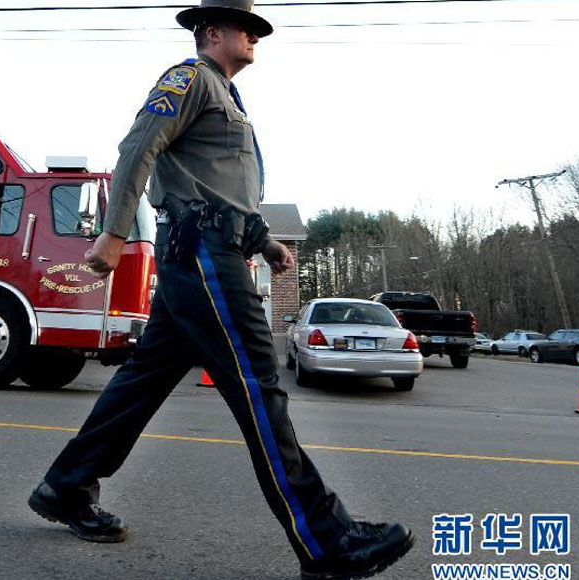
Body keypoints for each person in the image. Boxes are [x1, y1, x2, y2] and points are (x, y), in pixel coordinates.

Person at [28, 2, 415, 578]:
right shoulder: (189, 79)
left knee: (142, 381)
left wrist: (265, 242)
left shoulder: (228, 98)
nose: (255, 36)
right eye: (245, 27)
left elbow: (220, 188)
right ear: (212, 32)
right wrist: (114, 233)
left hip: (209, 250)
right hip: (203, 254)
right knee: (260, 386)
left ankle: (65, 486)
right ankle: (326, 540)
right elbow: (138, 147)